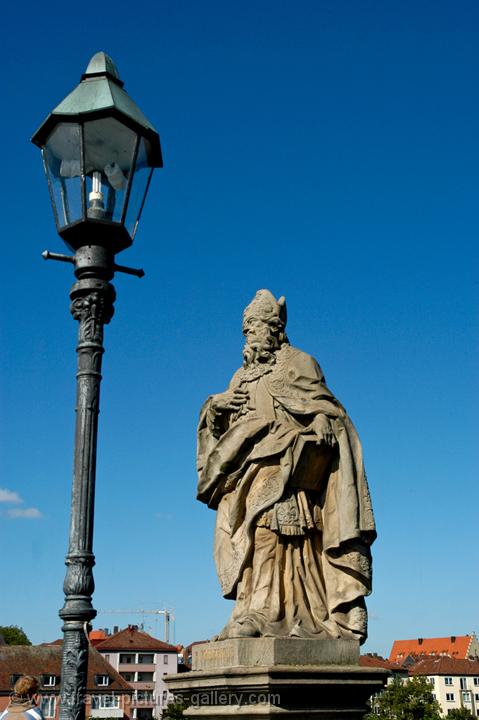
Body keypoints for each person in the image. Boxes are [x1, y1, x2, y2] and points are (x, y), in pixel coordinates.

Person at [197, 289, 376, 643]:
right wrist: (215, 408)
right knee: (250, 540)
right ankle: (253, 609)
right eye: (245, 330)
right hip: (248, 471)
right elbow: (221, 436)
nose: (248, 336)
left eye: (254, 328)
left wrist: (323, 420)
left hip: (292, 470)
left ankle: (285, 614)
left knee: (285, 540)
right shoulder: (239, 378)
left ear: (274, 328)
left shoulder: (300, 363)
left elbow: (328, 407)